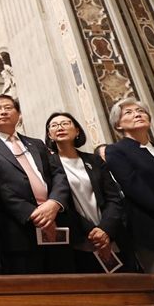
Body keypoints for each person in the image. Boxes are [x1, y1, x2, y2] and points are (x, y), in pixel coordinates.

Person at [0, 94, 73, 274]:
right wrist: (33, 213)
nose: (3, 112)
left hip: (56, 220)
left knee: (65, 282)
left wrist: (54, 204)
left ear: (18, 113)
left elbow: (58, 174)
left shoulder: (36, 144)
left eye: (8, 107)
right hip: (17, 230)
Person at [45, 112, 138, 273]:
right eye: (54, 125)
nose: (60, 127)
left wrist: (105, 229)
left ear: (77, 131)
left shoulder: (94, 160)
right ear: (49, 135)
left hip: (110, 232)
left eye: (66, 123)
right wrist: (92, 231)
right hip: (78, 239)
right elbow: (60, 204)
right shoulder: (47, 164)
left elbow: (113, 196)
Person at [106, 98, 154, 274]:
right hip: (153, 230)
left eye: (141, 111)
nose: (137, 114)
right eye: (129, 112)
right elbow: (136, 189)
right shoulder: (116, 151)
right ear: (118, 125)